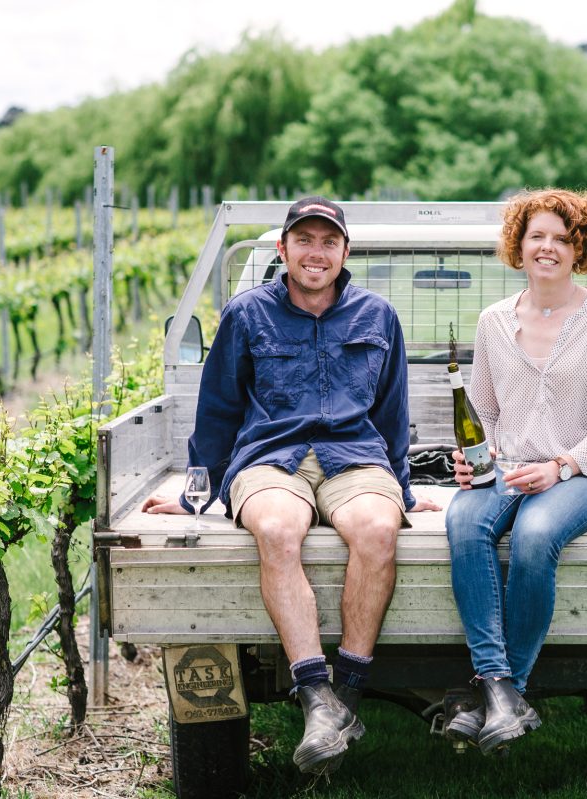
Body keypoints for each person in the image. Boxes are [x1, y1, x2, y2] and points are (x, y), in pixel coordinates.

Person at [142, 196, 441, 775]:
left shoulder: (376, 316)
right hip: (271, 458)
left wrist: (401, 491)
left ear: (345, 252)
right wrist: (196, 494)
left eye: (329, 241)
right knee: (278, 529)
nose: (316, 252)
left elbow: (391, 410)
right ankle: (314, 696)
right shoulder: (246, 313)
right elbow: (219, 409)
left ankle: (344, 698)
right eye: (304, 240)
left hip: (354, 455)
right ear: (282, 250)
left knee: (378, 530)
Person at [442, 188, 587, 754]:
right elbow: (481, 414)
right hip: (508, 469)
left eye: (561, 237)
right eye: (537, 236)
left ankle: (507, 688)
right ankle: (499, 690)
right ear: (519, 246)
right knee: (464, 522)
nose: (547, 247)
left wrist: (563, 466)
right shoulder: (493, 321)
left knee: (534, 534)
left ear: (580, 249)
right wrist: (467, 459)